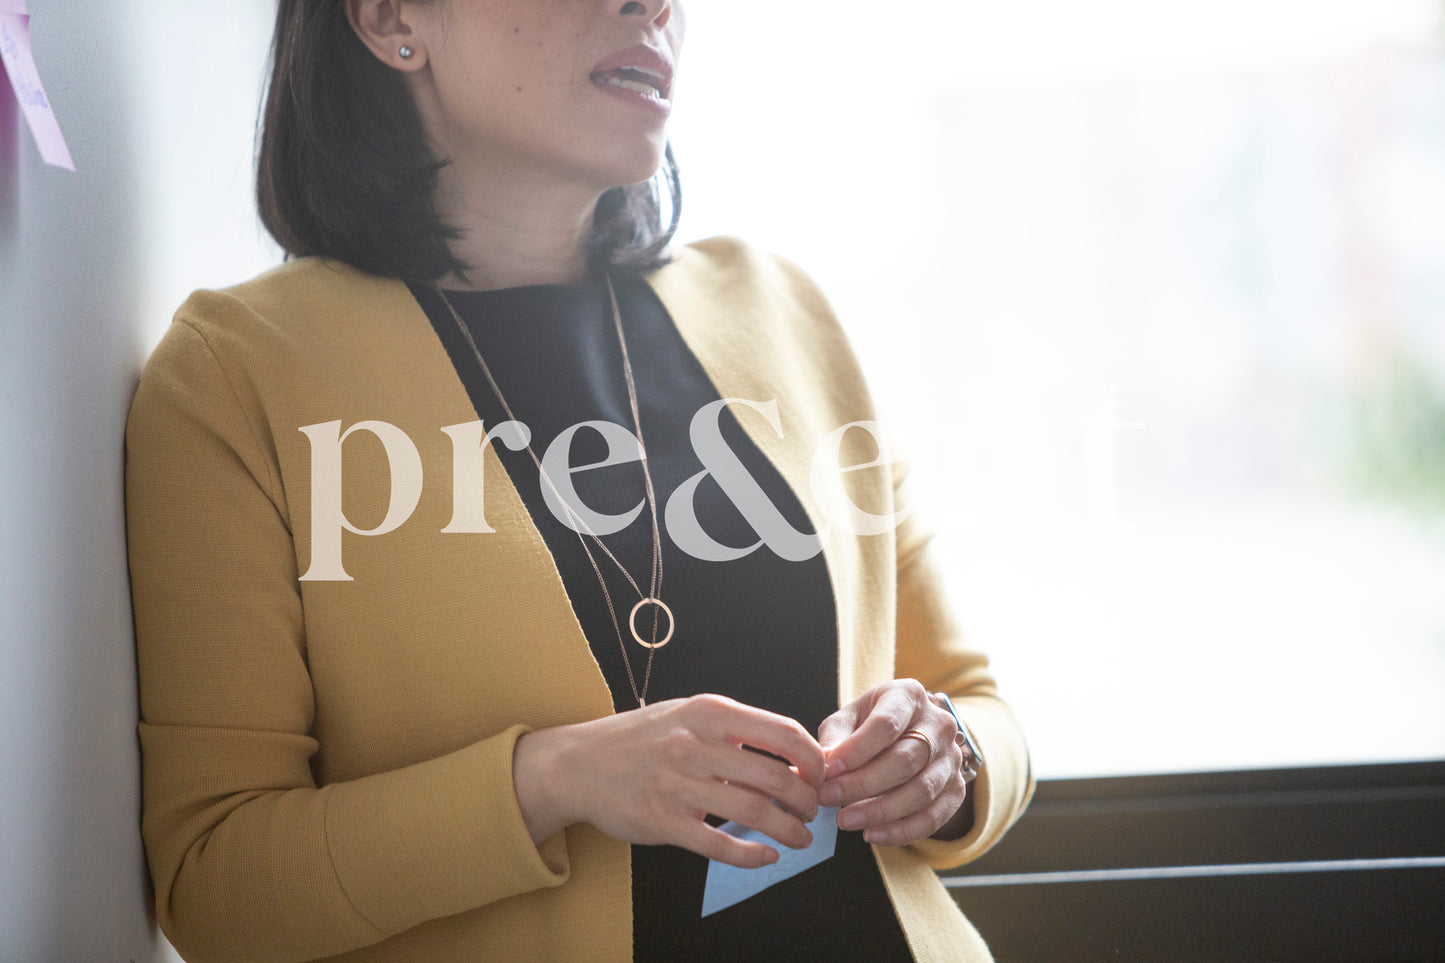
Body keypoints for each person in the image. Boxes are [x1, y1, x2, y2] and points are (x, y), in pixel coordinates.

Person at [123, 0, 1037, 960]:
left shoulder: (780, 309)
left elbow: (976, 703)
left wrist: (949, 756)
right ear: (390, 18)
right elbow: (215, 878)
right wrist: (551, 779)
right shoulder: (243, 371)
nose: (654, 6)